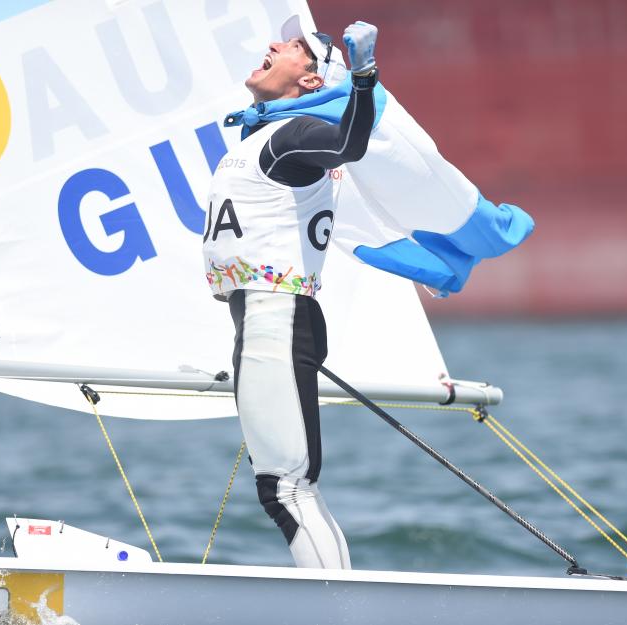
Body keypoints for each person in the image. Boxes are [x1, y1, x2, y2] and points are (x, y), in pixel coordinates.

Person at [202, 16, 379, 569]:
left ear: (308, 82)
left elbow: (351, 143)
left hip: (273, 320)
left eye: (295, 47)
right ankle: (342, 602)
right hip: (266, 320)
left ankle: (339, 610)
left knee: (286, 488)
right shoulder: (267, 137)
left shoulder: (294, 136)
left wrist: (364, 76)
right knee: (290, 486)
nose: (275, 44)